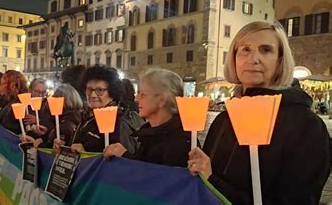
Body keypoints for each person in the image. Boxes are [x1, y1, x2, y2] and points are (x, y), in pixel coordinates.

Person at [187, 21, 330, 204]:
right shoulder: (224, 120)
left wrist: (213, 180)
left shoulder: (306, 126)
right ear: (234, 58)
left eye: (265, 50)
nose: (253, 58)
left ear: (279, 61)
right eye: (245, 49)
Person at [104, 68, 190, 167]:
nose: (136, 99)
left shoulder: (179, 141)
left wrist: (124, 156)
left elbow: (156, 178)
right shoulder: (152, 132)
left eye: (143, 95)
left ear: (161, 100)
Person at [56, 65, 142, 153]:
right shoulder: (87, 117)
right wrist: (63, 148)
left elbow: (123, 162)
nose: (93, 95)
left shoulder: (120, 123)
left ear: (112, 94)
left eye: (100, 90)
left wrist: (86, 156)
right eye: (89, 90)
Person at [23, 84, 82, 148]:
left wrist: (35, 143)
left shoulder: (66, 125)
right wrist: (46, 133)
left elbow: (56, 150)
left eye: (55, 99)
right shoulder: (73, 117)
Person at [0, 70, 29, 135]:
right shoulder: (9, 100)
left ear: (9, 85)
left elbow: (12, 127)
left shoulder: (20, 103)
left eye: (1, 84)